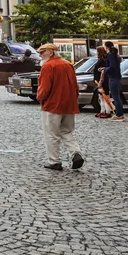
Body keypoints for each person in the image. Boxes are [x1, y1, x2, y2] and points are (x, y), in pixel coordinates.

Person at [36, 43, 84, 171]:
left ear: (51, 52)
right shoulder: (68, 64)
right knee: (67, 132)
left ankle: (54, 161)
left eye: (42, 52)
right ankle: (75, 153)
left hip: (52, 105)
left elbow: (44, 89)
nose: (40, 55)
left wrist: (40, 99)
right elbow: (75, 85)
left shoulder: (48, 66)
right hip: (69, 104)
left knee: (52, 134)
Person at [105, 41, 125, 121]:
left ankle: (119, 114)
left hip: (113, 77)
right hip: (117, 77)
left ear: (106, 46)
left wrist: (105, 69)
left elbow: (112, 66)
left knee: (115, 97)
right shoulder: (116, 55)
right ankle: (120, 114)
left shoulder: (110, 55)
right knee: (117, 97)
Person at [91, 46, 111, 118]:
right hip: (100, 80)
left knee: (105, 96)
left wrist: (100, 82)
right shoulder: (102, 60)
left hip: (102, 81)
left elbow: (102, 72)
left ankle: (107, 112)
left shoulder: (102, 60)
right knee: (101, 96)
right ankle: (102, 111)